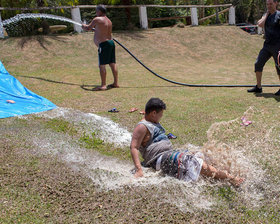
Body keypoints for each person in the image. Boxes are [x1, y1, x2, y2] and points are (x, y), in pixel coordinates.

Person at [130, 98, 245, 187]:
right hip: (159, 159)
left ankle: (223, 172)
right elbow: (134, 147)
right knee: (195, 163)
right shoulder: (142, 126)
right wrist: (139, 169)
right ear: (153, 113)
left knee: (201, 154)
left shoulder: (153, 121)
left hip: (169, 153)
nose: (161, 116)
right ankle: (231, 178)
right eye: (161, 114)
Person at [82, 5, 119, 91]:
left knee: (102, 65)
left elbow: (88, 28)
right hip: (111, 43)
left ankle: (103, 85)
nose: (96, 12)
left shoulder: (97, 19)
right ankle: (116, 83)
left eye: (96, 10)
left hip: (104, 44)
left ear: (100, 11)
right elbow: (103, 30)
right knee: (112, 63)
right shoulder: (108, 21)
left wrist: (83, 26)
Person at [247, 0, 280, 95]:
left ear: (276, 3)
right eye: (267, 4)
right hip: (267, 45)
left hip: (277, 46)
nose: (269, 6)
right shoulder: (266, 15)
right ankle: (258, 87)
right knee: (258, 63)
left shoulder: (279, 15)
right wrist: (266, 15)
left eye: (271, 4)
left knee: (279, 67)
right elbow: (260, 24)